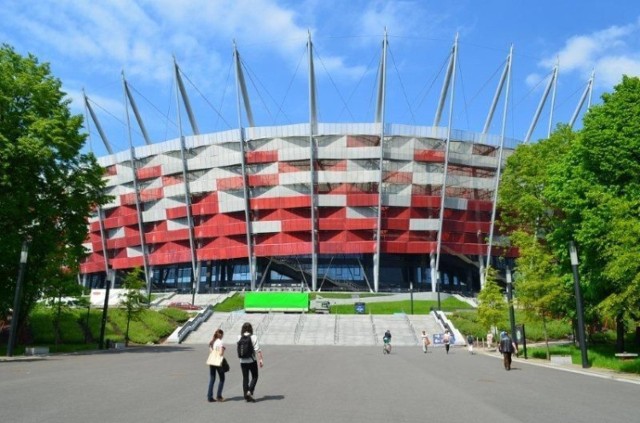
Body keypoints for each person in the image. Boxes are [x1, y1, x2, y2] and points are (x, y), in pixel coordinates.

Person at [238, 322, 263, 402]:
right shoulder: (253, 337)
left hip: (242, 361)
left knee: (245, 378)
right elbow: (257, 349)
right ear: (251, 329)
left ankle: (246, 395)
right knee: (255, 376)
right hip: (252, 360)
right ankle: (250, 391)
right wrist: (260, 360)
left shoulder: (239, 337)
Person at [207, 329, 226, 402]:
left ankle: (209, 396)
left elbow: (211, 352)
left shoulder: (212, 342)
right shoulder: (220, 342)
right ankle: (219, 396)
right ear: (221, 335)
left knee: (212, 378)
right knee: (222, 378)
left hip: (212, 361)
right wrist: (223, 349)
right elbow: (221, 353)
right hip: (218, 362)